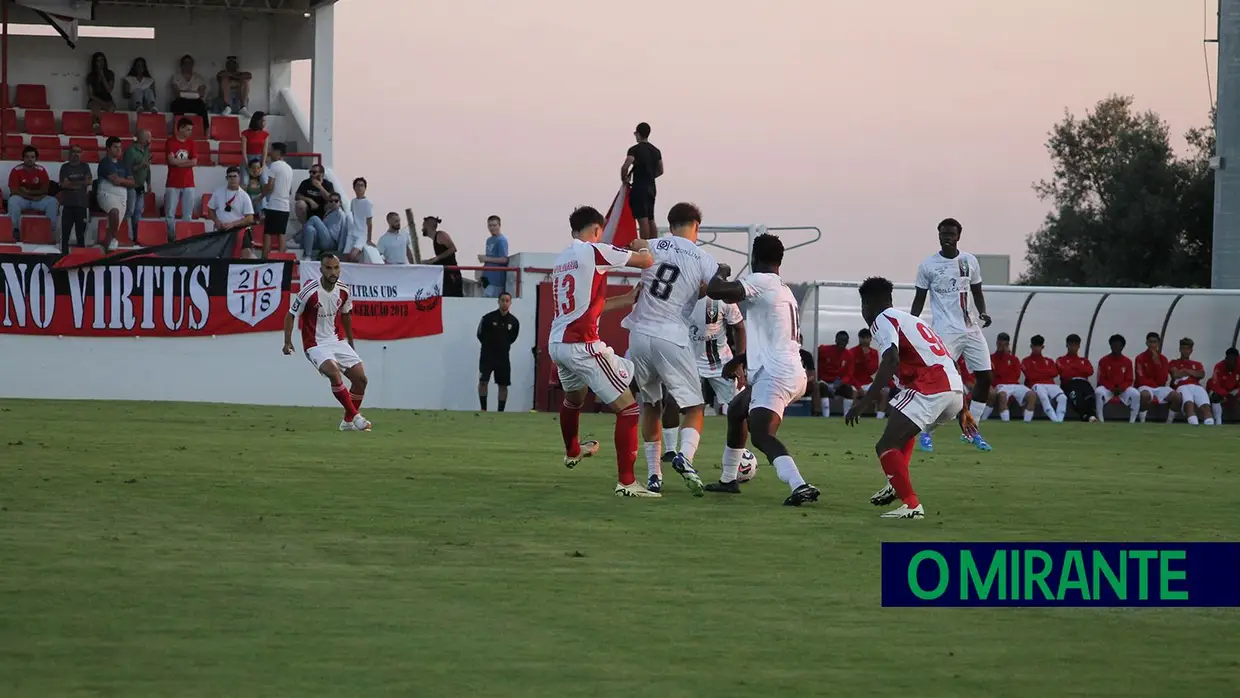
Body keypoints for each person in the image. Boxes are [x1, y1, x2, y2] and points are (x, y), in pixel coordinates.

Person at [702, 233, 820, 506]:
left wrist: (719, 272)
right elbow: (773, 336)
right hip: (789, 370)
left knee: (762, 434)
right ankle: (729, 479)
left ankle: (799, 484)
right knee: (737, 409)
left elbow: (715, 291)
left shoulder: (761, 281)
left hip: (776, 374)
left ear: (754, 259)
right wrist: (741, 358)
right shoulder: (784, 289)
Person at [548, 205, 655, 497]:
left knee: (574, 399)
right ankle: (627, 482)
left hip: (558, 344)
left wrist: (628, 299)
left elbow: (590, 308)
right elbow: (646, 261)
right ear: (597, 230)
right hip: (582, 345)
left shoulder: (562, 260)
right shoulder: (594, 251)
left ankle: (572, 451)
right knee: (629, 408)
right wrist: (643, 244)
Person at [845, 276, 965, 519]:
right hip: (953, 390)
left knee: (885, 445)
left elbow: (891, 359)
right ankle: (896, 483)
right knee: (904, 433)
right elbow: (949, 360)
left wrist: (864, 402)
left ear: (866, 305)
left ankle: (912, 506)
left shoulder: (881, 319)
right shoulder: (912, 320)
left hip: (931, 385)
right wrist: (964, 409)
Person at [622, 202, 720, 496]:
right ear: (697, 226)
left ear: (670, 223)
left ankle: (654, 475)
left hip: (638, 335)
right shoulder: (704, 257)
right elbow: (716, 289)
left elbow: (634, 248)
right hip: (671, 335)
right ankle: (685, 457)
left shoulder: (651, 244)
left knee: (651, 404)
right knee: (694, 407)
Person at [910, 218, 993, 451]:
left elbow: (977, 291)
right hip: (945, 331)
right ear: (938, 236)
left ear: (958, 236)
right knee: (946, 386)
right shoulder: (928, 265)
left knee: (985, 378)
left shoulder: (969, 261)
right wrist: (912, 325)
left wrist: (983, 312)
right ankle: (926, 432)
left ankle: (972, 431)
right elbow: (919, 298)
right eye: (942, 233)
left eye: (950, 233)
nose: (946, 237)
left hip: (971, 328)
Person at [283, 253, 372, 432]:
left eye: (336, 268)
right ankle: (356, 416)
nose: (333, 272)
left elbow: (346, 315)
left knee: (361, 379)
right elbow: (291, 314)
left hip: (336, 341)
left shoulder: (344, 290)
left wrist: (350, 341)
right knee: (333, 372)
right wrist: (287, 341)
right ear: (321, 269)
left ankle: (347, 423)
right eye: (329, 268)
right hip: (314, 344)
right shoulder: (309, 291)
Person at [691, 295, 746, 418]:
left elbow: (739, 327)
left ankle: (754, 436)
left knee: (740, 406)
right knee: (672, 403)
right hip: (689, 362)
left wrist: (738, 363)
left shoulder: (722, 299)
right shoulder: (681, 295)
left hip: (721, 363)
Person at [476, 291, 519, 411]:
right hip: (487, 355)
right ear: (498, 301)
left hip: (503, 357)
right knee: (483, 381)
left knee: (503, 384)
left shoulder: (514, 321)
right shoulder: (488, 318)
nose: (504, 303)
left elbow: (513, 337)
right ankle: (483, 409)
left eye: (507, 301)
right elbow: (480, 334)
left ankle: (500, 412)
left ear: (510, 303)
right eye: (502, 300)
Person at [620, 122, 663, 240]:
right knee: (651, 218)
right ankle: (654, 244)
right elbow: (661, 170)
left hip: (639, 187)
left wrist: (624, 179)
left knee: (642, 218)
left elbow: (625, 166)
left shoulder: (634, 150)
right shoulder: (656, 151)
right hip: (651, 187)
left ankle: (644, 247)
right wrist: (650, 176)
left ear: (638, 134)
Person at [7, 146, 57, 239]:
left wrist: (29, 192)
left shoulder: (41, 170)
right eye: (27, 157)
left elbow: (45, 190)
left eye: (32, 157)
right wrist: (32, 196)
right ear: (23, 158)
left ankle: (50, 231)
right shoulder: (16, 170)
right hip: (23, 200)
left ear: (36, 159)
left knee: (52, 201)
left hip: (38, 200)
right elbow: (14, 191)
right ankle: (15, 230)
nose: (30, 159)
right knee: (13, 200)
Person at [164, 117, 199, 242]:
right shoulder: (170, 142)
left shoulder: (192, 143)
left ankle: (185, 237)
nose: (190, 132)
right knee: (170, 213)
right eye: (188, 129)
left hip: (189, 183)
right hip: (173, 183)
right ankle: (172, 237)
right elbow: (171, 161)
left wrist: (178, 163)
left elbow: (194, 162)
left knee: (187, 213)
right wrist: (186, 162)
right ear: (181, 128)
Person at [97, 137, 134, 252]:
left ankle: (106, 244)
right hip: (106, 193)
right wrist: (124, 181)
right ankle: (113, 239)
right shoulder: (104, 163)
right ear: (108, 149)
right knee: (114, 211)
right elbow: (114, 181)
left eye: (120, 147)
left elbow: (133, 182)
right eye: (115, 147)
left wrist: (121, 180)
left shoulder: (124, 164)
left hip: (122, 196)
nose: (119, 150)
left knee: (113, 224)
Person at [1135, 332, 1179, 423]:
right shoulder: (1140, 358)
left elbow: (1163, 380)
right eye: (1150, 342)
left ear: (1158, 343)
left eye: (1154, 342)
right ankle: (1142, 421)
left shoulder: (1163, 359)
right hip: (1146, 386)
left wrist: (1157, 364)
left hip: (1159, 387)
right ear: (1146, 343)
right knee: (1145, 395)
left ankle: (1169, 422)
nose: (1152, 345)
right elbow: (1140, 379)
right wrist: (1153, 384)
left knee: (1176, 396)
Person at [1095, 334, 1141, 423]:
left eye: (1118, 346)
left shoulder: (1127, 361)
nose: (1115, 348)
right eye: (1113, 345)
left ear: (1122, 346)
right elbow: (1101, 379)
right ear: (1110, 345)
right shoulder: (1103, 360)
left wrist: (1121, 388)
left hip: (1122, 390)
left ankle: (1132, 421)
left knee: (1136, 394)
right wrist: (1112, 387)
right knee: (1098, 392)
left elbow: (1129, 379)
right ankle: (1101, 420)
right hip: (1108, 389)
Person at [845, 328, 889, 418]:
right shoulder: (851, 352)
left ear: (870, 339)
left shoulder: (874, 352)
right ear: (859, 338)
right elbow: (850, 373)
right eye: (863, 338)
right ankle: (850, 415)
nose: (865, 340)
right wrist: (859, 388)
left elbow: (872, 370)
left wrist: (866, 357)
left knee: (884, 393)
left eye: (867, 338)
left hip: (868, 382)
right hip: (855, 382)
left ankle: (879, 417)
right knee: (853, 393)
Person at [1169, 338, 1214, 425]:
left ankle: (1209, 426)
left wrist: (1186, 371)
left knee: (1206, 407)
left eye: (1188, 349)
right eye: (1183, 348)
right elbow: (1175, 374)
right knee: (1189, 405)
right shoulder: (1174, 362)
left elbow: (1201, 374)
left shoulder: (1197, 364)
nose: (1185, 351)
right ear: (1179, 349)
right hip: (1182, 386)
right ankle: (1193, 424)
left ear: (1191, 350)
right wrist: (1193, 373)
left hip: (1197, 386)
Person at [1022, 334, 1066, 422]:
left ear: (1042, 347)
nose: (1037, 348)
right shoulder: (1026, 360)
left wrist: (1038, 371)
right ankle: (1055, 420)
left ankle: (1059, 420)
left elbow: (1055, 373)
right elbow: (1030, 376)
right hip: (1035, 385)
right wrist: (1046, 372)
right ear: (1031, 346)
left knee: (1063, 398)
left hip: (1050, 385)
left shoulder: (1049, 360)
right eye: (1035, 346)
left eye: (1039, 346)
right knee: (1043, 395)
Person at [262, 142, 295, 259]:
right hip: (285, 206)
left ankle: (265, 258)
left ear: (277, 152)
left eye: (272, 150)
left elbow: (270, 186)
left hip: (274, 204)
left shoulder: (274, 166)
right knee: (281, 234)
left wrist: (260, 196)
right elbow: (290, 190)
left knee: (268, 233)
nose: (270, 153)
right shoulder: (289, 169)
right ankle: (281, 258)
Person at [58, 144, 92, 253]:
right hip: (67, 205)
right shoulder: (65, 167)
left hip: (81, 205)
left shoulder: (85, 166)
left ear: (82, 154)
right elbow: (64, 185)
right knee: (65, 236)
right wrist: (81, 183)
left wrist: (72, 184)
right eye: (73, 151)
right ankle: (63, 258)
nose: (76, 154)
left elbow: (89, 182)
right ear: (69, 154)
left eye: (78, 152)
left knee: (81, 236)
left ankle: (80, 259)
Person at [1057, 334, 1096, 422]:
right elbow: (1064, 373)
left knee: (1090, 395)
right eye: (1071, 345)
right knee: (1076, 396)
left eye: (1076, 345)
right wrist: (1079, 369)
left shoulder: (1084, 360)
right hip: (1069, 383)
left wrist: (1073, 367)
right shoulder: (1061, 359)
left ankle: (1092, 415)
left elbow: (1090, 371)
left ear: (1079, 346)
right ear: (1067, 345)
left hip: (1083, 382)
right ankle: (1086, 416)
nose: (1073, 347)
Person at [205, 166, 256, 234]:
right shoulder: (218, 192)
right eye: (230, 176)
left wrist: (233, 224)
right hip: (220, 230)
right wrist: (216, 221)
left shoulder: (244, 196)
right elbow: (210, 209)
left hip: (237, 231)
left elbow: (250, 218)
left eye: (235, 176)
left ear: (239, 178)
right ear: (226, 178)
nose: (232, 179)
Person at [816, 330, 855, 417]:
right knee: (822, 387)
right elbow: (815, 357)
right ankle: (826, 416)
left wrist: (841, 382)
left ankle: (847, 415)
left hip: (838, 383)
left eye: (844, 341)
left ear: (847, 342)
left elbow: (849, 373)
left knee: (848, 389)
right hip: (824, 382)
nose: (842, 343)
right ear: (836, 340)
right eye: (840, 340)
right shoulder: (824, 350)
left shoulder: (849, 355)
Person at [989, 332, 1026, 422]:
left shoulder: (1014, 359)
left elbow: (1017, 375)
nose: (1001, 346)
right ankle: (1006, 421)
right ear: (997, 343)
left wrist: (1007, 356)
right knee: (1003, 395)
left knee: (1031, 395)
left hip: (1014, 385)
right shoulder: (991, 358)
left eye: (1004, 344)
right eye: (999, 344)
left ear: (1008, 345)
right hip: (999, 385)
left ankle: (1027, 422)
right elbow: (995, 374)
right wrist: (1004, 358)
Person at [423, 217, 462, 296]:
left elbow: (453, 248)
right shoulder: (435, 239)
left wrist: (436, 258)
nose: (422, 229)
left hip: (451, 273)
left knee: (454, 297)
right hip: (445, 274)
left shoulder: (440, 235)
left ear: (429, 226)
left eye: (423, 226)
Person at [123, 129, 152, 233]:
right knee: (129, 211)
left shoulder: (147, 151)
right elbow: (127, 170)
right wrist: (141, 166)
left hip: (140, 186)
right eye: (149, 137)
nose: (150, 139)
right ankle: (123, 233)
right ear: (142, 138)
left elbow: (148, 169)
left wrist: (149, 183)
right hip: (130, 186)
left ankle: (137, 235)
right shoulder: (130, 151)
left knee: (138, 211)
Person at [478, 215, 510, 298]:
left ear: (499, 225)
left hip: (496, 280)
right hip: (487, 278)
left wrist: (486, 258)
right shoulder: (489, 240)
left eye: (494, 225)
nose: (492, 228)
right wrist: (481, 275)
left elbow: (504, 260)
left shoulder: (502, 240)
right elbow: (487, 259)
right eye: (490, 225)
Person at [1209, 348, 1240, 425]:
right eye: (1229, 359)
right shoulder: (1219, 366)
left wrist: (1236, 391)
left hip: (1234, 390)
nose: (1231, 362)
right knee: (1214, 396)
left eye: (1234, 360)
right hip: (1222, 391)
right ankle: (1218, 422)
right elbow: (1215, 385)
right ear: (1226, 358)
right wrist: (1226, 394)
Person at [86, 52, 116, 121]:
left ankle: (107, 126)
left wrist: (103, 76)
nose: (101, 63)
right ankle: (96, 127)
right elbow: (90, 95)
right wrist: (102, 103)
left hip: (107, 99)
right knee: (96, 108)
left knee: (111, 108)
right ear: (95, 63)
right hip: (95, 99)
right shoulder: (91, 76)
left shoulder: (110, 74)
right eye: (98, 61)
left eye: (102, 60)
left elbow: (109, 90)